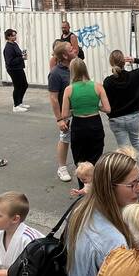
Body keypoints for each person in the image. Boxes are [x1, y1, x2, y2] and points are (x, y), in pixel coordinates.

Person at [103, 51, 139, 174]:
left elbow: (106, 100)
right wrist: (134, 60)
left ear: (111, 63)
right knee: (136, 141)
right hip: (134, 116)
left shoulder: (108, 81)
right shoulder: (135, 75)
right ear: (124, 62)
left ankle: (128, 172)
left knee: (123, 147)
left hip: (116, 118)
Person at [59, 58, 111, 167]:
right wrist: (96, 107)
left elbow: (64, 114)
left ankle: (82, 178)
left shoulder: (69, 89)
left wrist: (76, 110)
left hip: (78, 125)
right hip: (95, 123)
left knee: (80, 159)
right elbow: (107, 109)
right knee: (95, 158)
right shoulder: (98, 86)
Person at [48, 43, 74, 182]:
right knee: (65, 139)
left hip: (81, 111)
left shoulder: (76, 66)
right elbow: (53, 98)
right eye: (71, 49)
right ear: (64, 55)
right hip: (67, 114)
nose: (74, 50)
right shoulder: (55, 73)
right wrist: (59, 119)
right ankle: (62, 168)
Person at [3, 28, 30, 112]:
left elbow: (18, 54)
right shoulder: (8, 48)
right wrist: (21, 58)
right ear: (8, 37)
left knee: (24, 85)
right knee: (17, 86)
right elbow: (9, 61)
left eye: (15, 35)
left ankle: (20, 102)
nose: (15, 37)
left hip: (19, 68)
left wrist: (23, 54)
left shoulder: (14, 44)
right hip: (13, 69)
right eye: (13, 36)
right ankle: (16, 105)